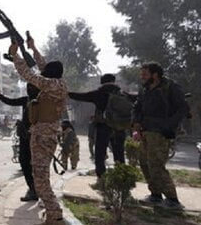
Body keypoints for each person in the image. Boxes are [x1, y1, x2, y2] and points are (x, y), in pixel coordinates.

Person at [10, 37, 75, 225]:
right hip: (44, 135)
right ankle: (50, 224)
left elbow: (28, 74)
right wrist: (33, 48)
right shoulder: (57, 82)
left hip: (43, 137)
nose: (44, 71)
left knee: (42, 185)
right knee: (41, 181)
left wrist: (15, 55)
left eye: (47, 71)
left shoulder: (52, 85)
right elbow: (44, 66)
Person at [132, 62, 190, 210]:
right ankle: (155, 194)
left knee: (156, 164)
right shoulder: (145, 89)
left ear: (155, 75)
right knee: (144, 163)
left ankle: (172, 199)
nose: (142, 77)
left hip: (160, 132)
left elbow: (183, 108)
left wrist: (170, 126)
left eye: (145, 74)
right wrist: (136, 123)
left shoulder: (170, 87)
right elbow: (137, 107)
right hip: (146, 130)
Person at [68, 74, 129, 187]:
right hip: (119, 128)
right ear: (114, 81)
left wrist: (67, 93)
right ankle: (122, 182)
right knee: (119, 154)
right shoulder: (123, 94)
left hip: (103, 127)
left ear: (102, 82)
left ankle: (101, 180)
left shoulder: (99, 93)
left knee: (100, 154)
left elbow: (81, 96)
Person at [0, 82, 39, 202]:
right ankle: (33, 188)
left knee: (37, 165)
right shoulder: (26, 100)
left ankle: (37, 189)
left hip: (37, 137)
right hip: (25, 137)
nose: (29, 89)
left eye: (32, 87)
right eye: (28, 87)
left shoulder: (42, 101)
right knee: (24, 162)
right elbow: (10, 101)